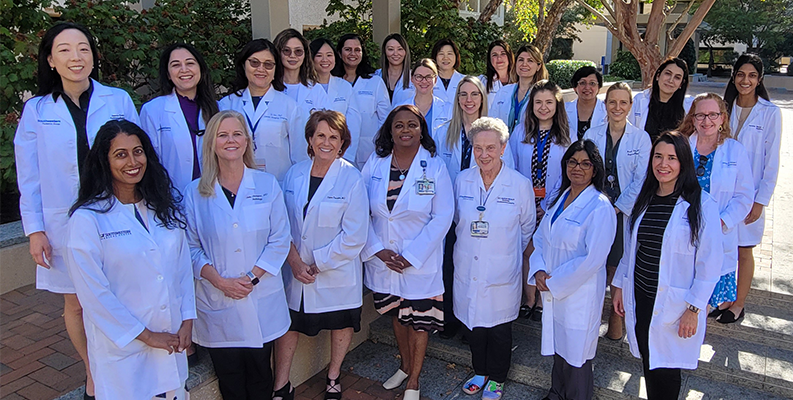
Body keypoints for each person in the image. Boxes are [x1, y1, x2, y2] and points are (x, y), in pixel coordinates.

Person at [14, 22, 139, 399]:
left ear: (93, 56)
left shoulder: (117, 98)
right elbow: (30, 174)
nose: (76, 57)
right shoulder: (36, 109)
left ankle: (127, 361)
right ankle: (93, 370)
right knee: (77, 300)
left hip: (116, 211)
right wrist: (34, 229)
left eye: (83, 48)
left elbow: (138, 157)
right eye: (65, 50)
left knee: (123, 290)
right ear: (50, 60)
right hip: (63, 221)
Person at [65, 119, 194, 400]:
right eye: (120, 154)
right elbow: (94, 295)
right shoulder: (87, 219)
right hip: (124, 349)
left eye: (138, 151)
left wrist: (187, 319)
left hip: (171, 338)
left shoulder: (163, 207)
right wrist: (147, 336)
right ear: (104, 161)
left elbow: (182, 268)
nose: (132, 161)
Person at [183, 111, 292, 400]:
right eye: (222, 134)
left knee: (260, 375)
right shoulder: (194, 193)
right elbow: (190, 248)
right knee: (229, 379)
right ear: (211, 143)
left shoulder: (267, 185)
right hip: (218, 298)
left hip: (259, 294)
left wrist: (250, 279)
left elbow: (280, 239)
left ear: (246, 140)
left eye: (236, 134)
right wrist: (220, 282)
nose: (230, 140)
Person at [612, 131, 723, 400]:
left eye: (672, 158)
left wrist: (694, 309)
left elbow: (711, 263)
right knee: (649, 361)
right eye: (658, 156)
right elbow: (631, 248)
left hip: (676, 305)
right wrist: (619, 286)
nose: (664, 164)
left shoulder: (701, 204)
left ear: (683, 162)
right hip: (641, 296)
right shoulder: (644, 198)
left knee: (667, 372)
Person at [360, 105, 454, 400]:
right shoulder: (375, 163)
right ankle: (403, 366)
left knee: (419, 319)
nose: (404, 130)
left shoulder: (435, 166)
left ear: (421, 130)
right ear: (390, 129)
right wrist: (377, 250)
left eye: (412, 125)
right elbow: (358, 210)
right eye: (398, 125)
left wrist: (411, 256)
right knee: (397, 316)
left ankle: (413, 379)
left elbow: (443, 216)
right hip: (384, 258)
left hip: (418, 261)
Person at [275, 110, 369, 400]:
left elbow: (355, 235)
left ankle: (333, 375)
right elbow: (280, 223)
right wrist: (294, 261)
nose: (326, 142)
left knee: (340, 323)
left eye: (333, 137)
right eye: (320, 135)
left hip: (334, 270)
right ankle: (281, 383)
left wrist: (316, 263)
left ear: (342, 143)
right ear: (309, 139)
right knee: (289, 325)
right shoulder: (293, 173)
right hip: (296, 267)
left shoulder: (351, 177)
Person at [454, 117, 535, 400]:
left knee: (499, 329)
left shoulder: (519, 185)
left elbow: (527, 229)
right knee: (474, 325)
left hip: (502, 269)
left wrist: (505, 254)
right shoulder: (462, 180)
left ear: (503, 147)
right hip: (467, 265)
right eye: (478, 148)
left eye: (490, 147)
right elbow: (456, 221)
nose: (484, 155)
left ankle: (497, 377)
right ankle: (479, 371)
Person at [530, 139, 617, 400]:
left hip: (579, 293)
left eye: (585, 164)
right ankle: (556, 394)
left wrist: (553, 281)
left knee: (576, 354)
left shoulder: (600, 206)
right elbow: (541, 239)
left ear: (595, 169)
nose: (577, 168)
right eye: (572, 162)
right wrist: (539, 270)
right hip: (552, 287)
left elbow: (593, 259)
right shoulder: (560, 198)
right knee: (560, 347)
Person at [433, 76, 515, 339]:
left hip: (482, 214)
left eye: (474, 94)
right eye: (463, 95)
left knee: (477, 269)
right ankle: (452, 320)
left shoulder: (496, 133)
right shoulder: (442, 132)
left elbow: (507, 172)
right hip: (450, 213)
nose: (469, 100)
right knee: (452, 267)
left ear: (483, 98)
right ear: (457, 100)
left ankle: (474, 327)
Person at [583, 82, 652, 341]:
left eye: (623, 102)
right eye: (612, 102)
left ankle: (615, 323)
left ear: (631, 106)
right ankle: (591, 317)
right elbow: (585, 169)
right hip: (595, 209)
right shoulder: (592, 134)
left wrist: (617, 207)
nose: (617, 107)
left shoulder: (641, 138)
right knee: (595, 262)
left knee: (618, 267)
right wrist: (599, 206)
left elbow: (641, 179)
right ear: (605, 105)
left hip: (623, 211)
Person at [677, 93, 754, 323]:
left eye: (713, 114)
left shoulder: (735, 151)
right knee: (681, 288)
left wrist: (721, 222)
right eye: (700, 114)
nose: (706, 120)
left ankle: (694, 335)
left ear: (722, 118)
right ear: (693, 117)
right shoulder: (681, 145)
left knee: (705, 297)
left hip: (718, 232)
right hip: (682, 228)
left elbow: (744, 195)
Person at [722, 54, 782, 323]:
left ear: (759, 80)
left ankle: (739, 303)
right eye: (741, 74)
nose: (745, 80)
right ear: (734, 77)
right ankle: (722, 299)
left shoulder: (770, 112)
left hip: (750, 195)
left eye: (752, 75)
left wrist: (760, 201)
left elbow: (772, 161)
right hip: (722, 192)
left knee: (743, 250)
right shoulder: (724, 108)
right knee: (723, 247)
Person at [510, 80, 571, 321]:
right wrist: (527, 202)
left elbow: (567, 174)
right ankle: (528, 300)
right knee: (526, 251)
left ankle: (545, 301)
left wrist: (546, 206)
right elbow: (512, 166)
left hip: (553, 205)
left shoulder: (567, 136)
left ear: (557, 105)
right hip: (524, 203)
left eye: (548, 102)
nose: (543, 107)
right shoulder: (520, 132)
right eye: (538, 102)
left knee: (547, 252)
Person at [219, 38, 304, 183]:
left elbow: (300, 157)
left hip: (279, 185)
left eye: (268, 64)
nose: (261, 69)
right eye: (254, 62)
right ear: (243, 64)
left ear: (276, 69)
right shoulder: (227, 104)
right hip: (235, 185)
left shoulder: (290, 106)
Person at [140, 43, 219, 192]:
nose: (184, 69)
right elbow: (149, 160)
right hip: (172, 195)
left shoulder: (218, 108)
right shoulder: (153, 110)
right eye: (176, 65)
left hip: (212, 194)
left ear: (200, 69)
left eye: (190, 63)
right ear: (168, 74)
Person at [334, 33, 391, 168]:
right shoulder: (333, 82)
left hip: (368, 149)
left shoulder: (374, 82)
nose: (352, 53)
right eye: (348, 49)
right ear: (339, 52)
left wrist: (380, 143)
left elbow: (385, 118)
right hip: (337, 148)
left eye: (357, 50)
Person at [310, 38, 362, 165]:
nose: (325, 60)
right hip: (310, 154)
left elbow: (354, 123)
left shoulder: (344, 86)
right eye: (319, 55)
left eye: (329, 55)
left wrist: (345, 154)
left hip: (340, 154)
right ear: (311, 59)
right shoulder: (304, 87)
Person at [274, 29, 330, 126]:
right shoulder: (270, 88)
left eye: (298, 51)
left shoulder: (315, 89)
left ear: (305, 54)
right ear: (278, 53)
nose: (292, 56)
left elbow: (328, 124)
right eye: (286, 51)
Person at [629, 57, 693, 142]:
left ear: (681, 84)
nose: (670, 80)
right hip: (643, 153)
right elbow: (630, 132)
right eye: (668, 74)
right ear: (658, 76)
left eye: (677, 77)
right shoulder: (639, 100)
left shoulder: (689, 105)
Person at [490, 44, 549, 133]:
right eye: (521, 60)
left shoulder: (544, 94)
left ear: (538, 66)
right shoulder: (503, 91)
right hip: (502, 144)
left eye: (530, 61)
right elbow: (491, 121)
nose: (524, 64)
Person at [392, 59, 452, 140]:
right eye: (419, 77)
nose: (424, 81)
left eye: (428, 77)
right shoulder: (399, 108)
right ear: (412, 79)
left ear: (436, 80)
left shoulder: (448, 109)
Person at [566, 66, 607, 142]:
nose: (587, 87)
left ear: (599, 87)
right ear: (575, 87)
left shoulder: (607, 110)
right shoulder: (564, 110)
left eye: (592, 83)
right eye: (582, 83)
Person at [375, 33, 413, 103]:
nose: (395, 53)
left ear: (405, 52)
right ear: (385, 52)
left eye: (400, 49)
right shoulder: (375, 76)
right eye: (391, 49)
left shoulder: (414, 77)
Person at [479, 40, 515, 106]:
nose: (499, 58)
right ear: (489, 59)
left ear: (509, 56)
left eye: (503, 54)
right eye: (494, 55)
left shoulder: (519, 81)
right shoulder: (482, 81)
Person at [431, 38, 465, 104]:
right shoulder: (427, 81)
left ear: (456, 56)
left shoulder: (464, 80)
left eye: (449, 54)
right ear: (435, 57)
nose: (445, 58)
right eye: (441, 54)